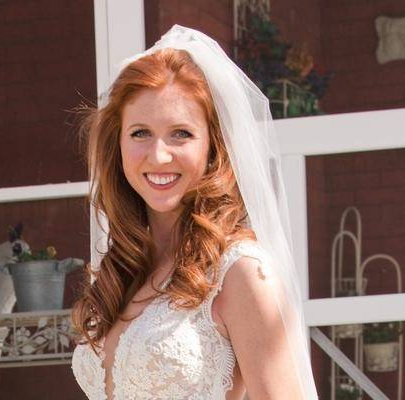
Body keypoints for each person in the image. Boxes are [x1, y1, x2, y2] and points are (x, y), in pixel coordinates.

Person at [71, 25, 318, 400]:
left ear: (213, 147)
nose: (158, 155)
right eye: (140, 133)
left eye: (181, 134)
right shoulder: (123, 270)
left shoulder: (240, 273)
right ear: (117, 144)